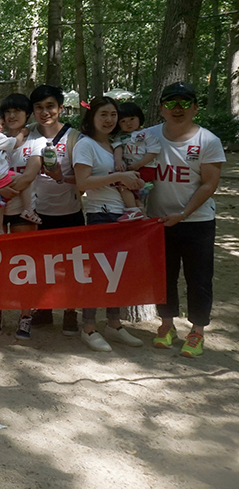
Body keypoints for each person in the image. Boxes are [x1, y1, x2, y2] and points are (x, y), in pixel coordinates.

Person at [149, 82, 224, 358]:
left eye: (184, 103)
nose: (177, 109)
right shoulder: (147, 136)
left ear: (195, 107)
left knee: (199, 278)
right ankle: (166, 325)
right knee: (163, 276)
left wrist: (183, 214)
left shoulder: (208, 141)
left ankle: (197, 331)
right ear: (161, 108)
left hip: (197, 222)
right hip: (158, 222)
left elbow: (209, 184)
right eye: (171, 103)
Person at [72, 97, 145, 352]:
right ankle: (89, 328)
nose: (109, 119)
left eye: (113, 114)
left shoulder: (115, 144)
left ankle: (114, 324)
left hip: (125, 215)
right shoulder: (86, 145)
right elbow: (82, 182)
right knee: (97, 273)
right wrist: (120, 176)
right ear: (92, 117)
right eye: (103, 114)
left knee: (118, 273)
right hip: (100, 215)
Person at [0, 94, 43, 339]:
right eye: (7, 112)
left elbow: (29, 175)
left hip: (21, 210)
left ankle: (25, 316)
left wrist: (1, 191)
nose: (12, 116)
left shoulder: (35, 142)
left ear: (27, 114)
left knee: (24, 263)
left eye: (17, 111)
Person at [27, 85, 84, 335]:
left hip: (69, 211)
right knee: (41, 264)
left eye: (50, 106)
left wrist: (61, 178)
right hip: (37, 212)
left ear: (60, 108)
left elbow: (84, 179)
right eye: (38, 107)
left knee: (71, 266)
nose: (45, 112)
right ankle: (44, 309)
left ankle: (70, 312)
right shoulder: (27, 135)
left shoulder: (75, 138)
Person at [0, 107, 39, 235]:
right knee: (23, 180)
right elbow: (15, 143)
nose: (1, 127)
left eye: (2, 124)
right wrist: (22, 133)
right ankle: (28, 210)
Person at [113, 101, 159, 220]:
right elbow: (117, 148)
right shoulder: (119, 136)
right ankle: (141, 214)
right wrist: (118, 161)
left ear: (139, 117)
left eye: (132, 119)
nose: (128, 123)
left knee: (123, 185)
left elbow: (153, 151)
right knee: (131, 192)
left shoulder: (146, 133)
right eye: (123, 121)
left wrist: (139, 164)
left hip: (146, 168)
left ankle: (132, 210)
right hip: (130, 169)